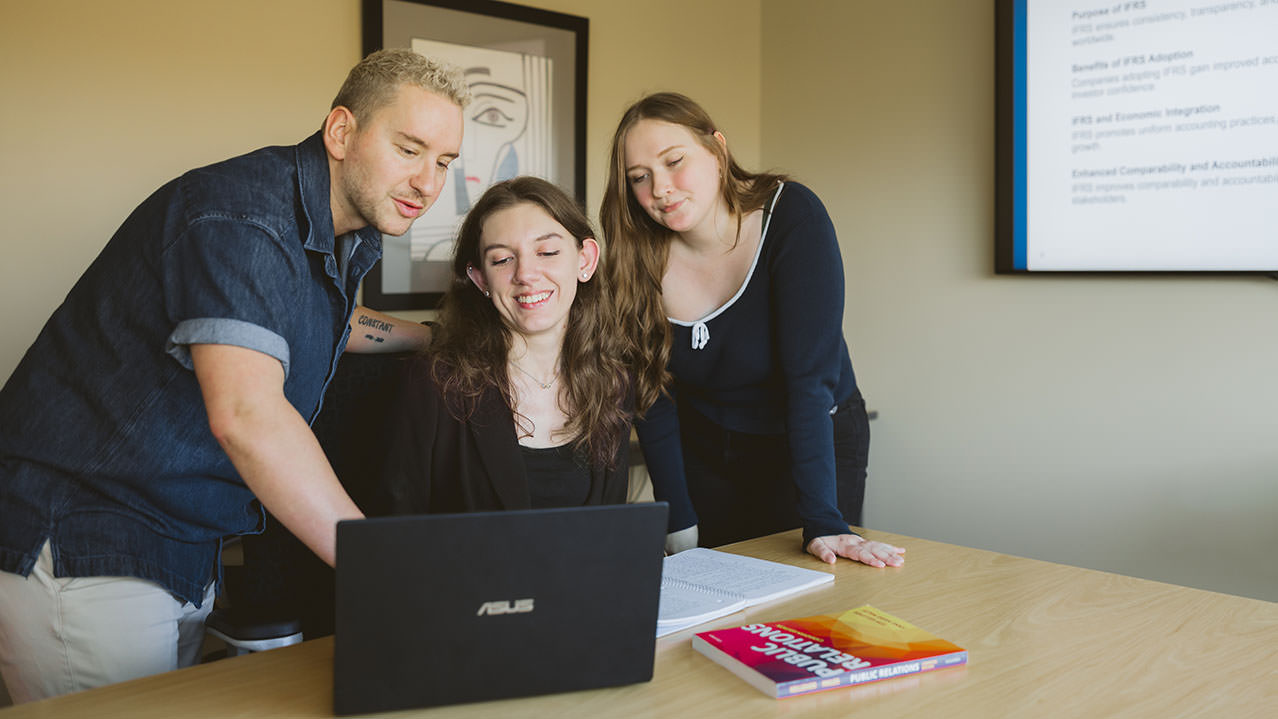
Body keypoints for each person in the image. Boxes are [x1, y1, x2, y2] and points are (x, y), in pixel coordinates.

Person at [0, 49, 469, 702]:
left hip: (181, 548)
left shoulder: (328, 232)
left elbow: (331, 319)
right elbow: (248, 415)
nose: (428, 181)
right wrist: (380, 561)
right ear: (342, 133)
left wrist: (441, 338)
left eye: (444, 161)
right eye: (409, 148)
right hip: (86, 542)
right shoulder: (241, 216)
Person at [600, 92, 905, 567]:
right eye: (640, 177)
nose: (660, 188)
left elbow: (809, 385)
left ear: (717, 151)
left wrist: (823, 520)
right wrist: (677, 518)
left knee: (812, 591)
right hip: (709, 452)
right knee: (720, 596)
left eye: (674, 162)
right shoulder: (635, 259)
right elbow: (652, 399)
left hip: (811, 436)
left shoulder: (792, 217)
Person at [381, 176, 633, 514]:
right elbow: (394, 538)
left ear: (585, 260)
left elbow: (611, 532)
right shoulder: (433, 385)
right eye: (502, 260)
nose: (526, 273)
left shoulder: (614, 383)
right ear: (480, 278)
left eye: (547, 251)